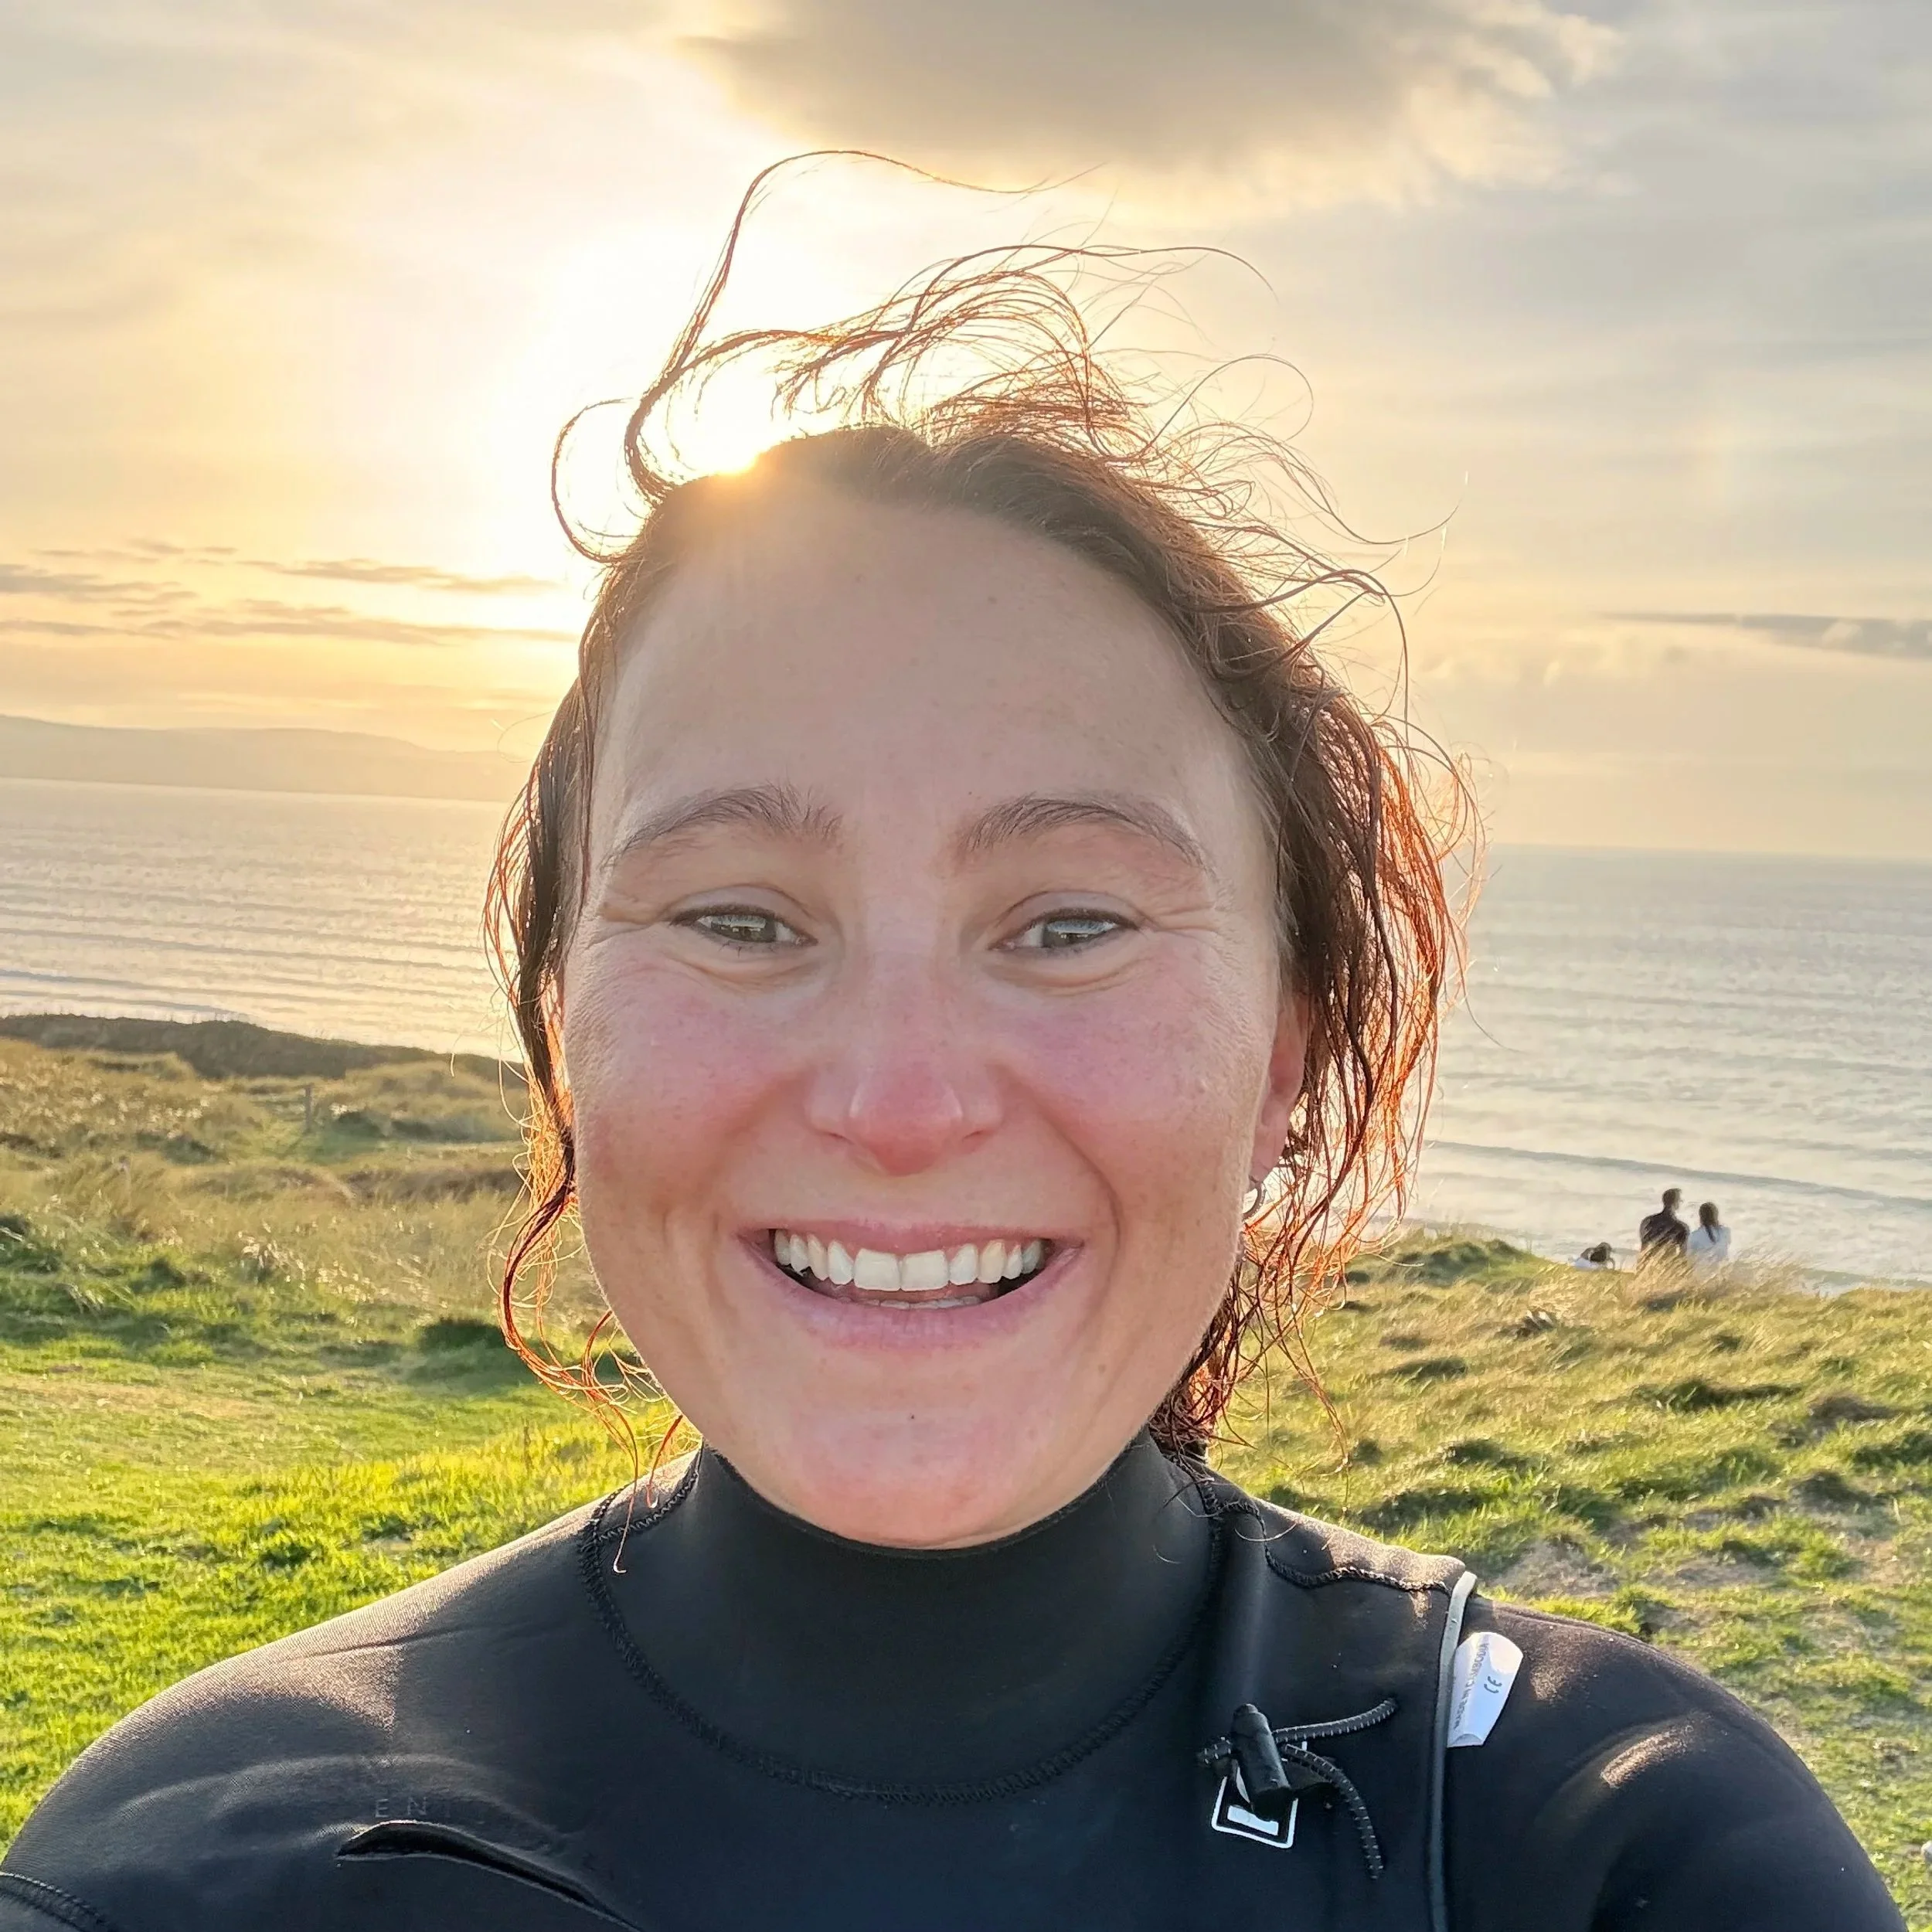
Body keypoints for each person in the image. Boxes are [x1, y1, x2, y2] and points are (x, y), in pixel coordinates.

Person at [0, 169, 1900, 1932]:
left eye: (1067, 923)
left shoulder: (1608, 1851)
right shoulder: (188, 1880)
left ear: (1285, 1057)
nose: (899, 1105)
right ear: (564, 1030)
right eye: (740, 918)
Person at [1638, 1185, 1690, 1259]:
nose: (1681, 1202)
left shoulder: (1647, 1221)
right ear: (1676, 1203)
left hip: (1649, 1262)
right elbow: (1682, 1256)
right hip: (1668, 1264)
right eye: (1680, 1200)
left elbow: (1643, 1249)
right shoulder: (1681, 1227)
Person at [1686, 1201, 1731, 1270]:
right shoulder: (1726, 1232)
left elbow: (1690, 1260)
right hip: (1722, 1271)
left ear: (1701, 1217)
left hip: (1702, 1273)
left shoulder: (1694, 1236)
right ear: (1716, 1215)